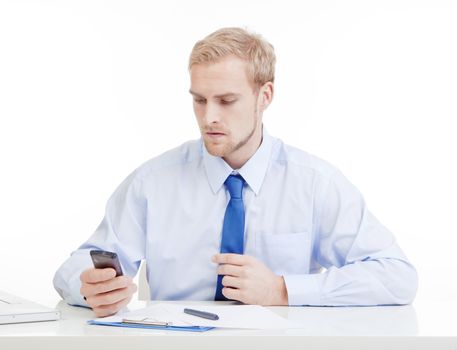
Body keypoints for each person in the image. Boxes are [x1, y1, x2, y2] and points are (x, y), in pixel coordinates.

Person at [54, 27, 418, 317]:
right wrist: (88, 287)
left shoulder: (314, 183)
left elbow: (397, 277)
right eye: (199, 100)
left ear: (265, 96)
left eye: (226, 101)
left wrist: (282, 290)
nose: (208, 116)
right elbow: (71, 271)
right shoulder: (153, 182)